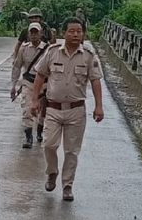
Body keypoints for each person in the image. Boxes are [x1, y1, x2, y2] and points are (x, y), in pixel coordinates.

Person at [30, 17, 104, 201]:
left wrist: (99, 106)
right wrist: (34, 100)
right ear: (64, 33)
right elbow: (40, 75)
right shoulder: (53, 52)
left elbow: (95, 81)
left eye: (79, 31)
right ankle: (52, 172)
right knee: (49, 145)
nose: (75, 34)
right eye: (71, 31)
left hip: (76, 110)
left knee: (72, 151)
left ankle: (67, 185)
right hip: (53, 109)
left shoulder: (88, 55)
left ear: (83, 34)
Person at [10, 22, 50, 148]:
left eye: (36, 32)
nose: (33, 35)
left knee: (43, 110)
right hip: (28, 83)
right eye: (31, 33)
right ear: (28, 34)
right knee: (27, 109)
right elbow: (17, 66)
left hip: (44, 84)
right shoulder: (24, 49)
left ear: (41, 33)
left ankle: (39, 131)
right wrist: (14, 85)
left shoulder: (48, 50)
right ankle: (28, 137)